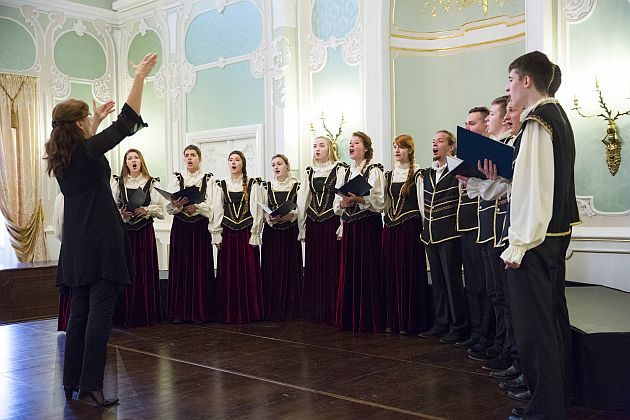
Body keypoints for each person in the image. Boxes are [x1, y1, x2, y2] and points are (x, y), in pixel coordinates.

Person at [45, 52, 157, 407]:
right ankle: (92, 384)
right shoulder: (88, 151)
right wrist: (138, 77)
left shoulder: (62, 156)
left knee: (79, 314)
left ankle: (72, 382)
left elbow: (89, 144)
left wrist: (93, 117)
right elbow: (127, 123)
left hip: (77, 247)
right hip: (102, 242)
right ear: (78, 125)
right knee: (99, 317)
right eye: (85, 120)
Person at [501, 52, 579, 420]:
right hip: (553, 238)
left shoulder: (537, 121)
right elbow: (536, 180)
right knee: (550, 325)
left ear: (527, 81)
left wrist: (518, 245)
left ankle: (545, 411)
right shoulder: (558, 116)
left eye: (511, 80)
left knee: (534, 332)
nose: (508, 88)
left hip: (535, 243)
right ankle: (554, 402)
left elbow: (536, 191)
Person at [418, 130, 469, 342]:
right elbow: (422, 205)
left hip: (450, 235)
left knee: (452, 282)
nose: (435, 144)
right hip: (430, 234)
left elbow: (463, 198)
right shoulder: (426, 174)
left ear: (450, 147)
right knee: (438, 282)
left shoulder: (458, 170)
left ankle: (459, 326)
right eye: (433, 141)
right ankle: (441, 322)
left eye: (440, 141)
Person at [334, 131, 386, 332]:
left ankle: (368, 318)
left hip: (367, 226)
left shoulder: (374, 170)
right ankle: (349, 317)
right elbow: (336, 203)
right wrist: (343, 202)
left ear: (365, 148)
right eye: (350, 143)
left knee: (367, 269)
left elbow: (380, 202)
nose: (352, 146)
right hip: (350, 226)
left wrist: (360, 199)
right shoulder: (344, 172)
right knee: (349, 270)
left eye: (356, 143)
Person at [382, 134, 431, 335]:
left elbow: (421, 205)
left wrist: (424, 228)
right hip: (391, 228)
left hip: (409, 228)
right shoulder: (389, 175)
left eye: (401, 147)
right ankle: (393, 319)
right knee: (391, 273)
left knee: (407, 272)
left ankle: (409, 320)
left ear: (410, 150)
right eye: (394, 147)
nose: (397, 151)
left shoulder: (418, 174)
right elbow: (384, 203)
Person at [111, 148, 166, 327]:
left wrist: (146, 210)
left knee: (144, 270)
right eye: (129, 158)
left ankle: (145, 314)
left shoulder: (151, 183)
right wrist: (122, 214)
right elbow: (110, 208)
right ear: (125, 163)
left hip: (143, 233)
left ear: (141, 161)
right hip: (125, 234)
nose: (133, 161)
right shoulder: (118, 183)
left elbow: (160, 208)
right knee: (126, 270)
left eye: (136, 158)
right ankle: (124, 314)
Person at [166, 145, 220, 323]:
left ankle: (200, 311)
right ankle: (180, 312)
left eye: (193, 155)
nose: (189, 158)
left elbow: (212, 207)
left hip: (199, 229)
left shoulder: (209, 179)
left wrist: (196, 207)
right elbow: (169, 207)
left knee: (199, 267)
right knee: (181, 267)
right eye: (186, 156)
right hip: (181, 229)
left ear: (199, 158)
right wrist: (178, 205)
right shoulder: (177, 178)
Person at [296, 136, 347, 325]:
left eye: (321, 145)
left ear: (330, 148)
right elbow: (303, 199)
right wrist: (302, 228)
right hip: (314, 222)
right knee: (315, 265)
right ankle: (316, 310)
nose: (317, 149)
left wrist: (342, 224)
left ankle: (332, 309)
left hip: (331, 221)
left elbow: (342, 195)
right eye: (315, 145)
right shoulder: (309, 171)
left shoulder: (340, 169)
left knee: (332, 264)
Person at [455, 107, 493, 351]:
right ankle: (477, 331)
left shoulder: (491, 152)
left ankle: (489, 335)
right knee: (472, 283)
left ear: (485, 124)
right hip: (468, 223)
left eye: (473, 123)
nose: (468, 128)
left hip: (487, 224)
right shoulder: (467, 155)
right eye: (466, 124)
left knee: (486, 284)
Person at [215, 151, 264, 323]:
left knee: (247, 270)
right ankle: (229, 312)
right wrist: (217, 234)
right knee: (229, 272)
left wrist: (255, 233)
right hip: (228, 233)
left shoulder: (252, 184)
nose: (233, 162)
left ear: (243, 163)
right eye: (230, 160)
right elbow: (218, 210)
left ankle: (249, 311)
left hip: (246, 232)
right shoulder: (221, 184)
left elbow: (257, 210)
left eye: (237, 160)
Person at [260, 154, 302, 321]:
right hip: (272, 234)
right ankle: (272, 309)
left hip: (290, 233)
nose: (276, 167)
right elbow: (262, 210)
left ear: (287, 166)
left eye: (279, 164)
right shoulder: (266, 186)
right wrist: (269, 218)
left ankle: (291, 310)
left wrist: (289, 216)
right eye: (273, 165)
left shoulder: (296, 186)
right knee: (272, 269)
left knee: (291, 267)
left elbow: (300, 208)